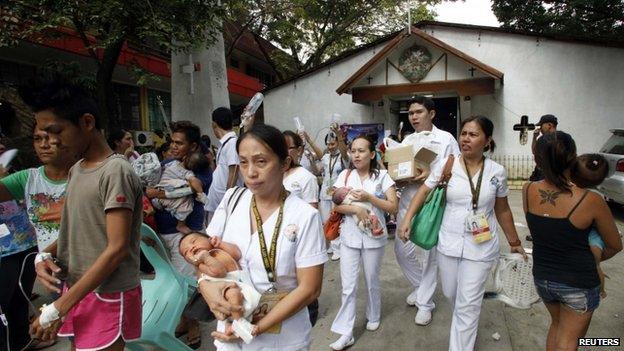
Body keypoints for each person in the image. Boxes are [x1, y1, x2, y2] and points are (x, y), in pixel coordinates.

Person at [24, 77, 144, 351]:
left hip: (108, 292)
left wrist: (57, 309)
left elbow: (117, 249)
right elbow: (76, 229)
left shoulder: (116, 171)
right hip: (79, 287)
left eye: (55, 131)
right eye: (42, 135)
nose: (50, 142)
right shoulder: (77, 168)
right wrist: (46, 255)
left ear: (87, 123)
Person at [398, 115, 525, 351]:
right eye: (464, 133)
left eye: (473, 134)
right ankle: (465, 326)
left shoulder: (497, 172)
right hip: (449, 241)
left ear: (487, 141)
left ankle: (461, 343)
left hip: (482, 246)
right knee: (451, 293)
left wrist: (515, 242)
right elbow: (424, 191)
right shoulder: (447, 164)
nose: (466, 139)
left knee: (468, 304)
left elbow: (503, 209)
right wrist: (407, 219)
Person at [199, 124, 326, 350]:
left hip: (282, 336)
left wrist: (254, 329)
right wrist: (206, 287)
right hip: (230, 328)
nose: (250, 172)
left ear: (284, 164)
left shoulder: (305, 216)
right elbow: (204, 254)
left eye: (261, 161)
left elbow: (310, 289)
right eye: (243, 162)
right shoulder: (232, 200)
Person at [524, 133, 621, 351]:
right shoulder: (591, 200)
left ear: (537, 160)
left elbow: (543, 232)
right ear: (573, 157)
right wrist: (593, 257)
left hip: (543, 278)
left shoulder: (528, 189)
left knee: (557, 327)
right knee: (570, 340)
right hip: (578, 282)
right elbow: (615, 245)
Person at [394, 96, 459, 326]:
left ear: (431, 114)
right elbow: (398, 173)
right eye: (411, 113)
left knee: (429, 253)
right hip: (408, 200)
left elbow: (455, 169)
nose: (413, 117)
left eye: (418, 112)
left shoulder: (446, 139)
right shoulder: (406, 140)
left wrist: (430, 175)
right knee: (401, 250)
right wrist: (400, 176)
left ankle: (425, 304)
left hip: (433, 202)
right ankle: (421, 287)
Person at [146, 121, 211, 349]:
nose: (173, 146)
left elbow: (193, 189)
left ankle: (194, 324)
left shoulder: (202, 166)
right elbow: (148, 187)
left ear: (193, 146)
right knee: (174, 281)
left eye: (179, 143)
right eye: (172, 141)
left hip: (188, 233)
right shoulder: (165, 164)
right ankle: (184, 320)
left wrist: (157, 192)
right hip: (162, 232)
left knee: (190, 281)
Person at [329, 134, 398, 351]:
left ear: (372, 153)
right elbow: (336, 205)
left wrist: (369, 198)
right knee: (348, 286)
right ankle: (345, 332)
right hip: (349, 237)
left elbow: (393, 207)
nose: (356, 154)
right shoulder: (345, 176)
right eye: (353, 150)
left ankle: (373, 314)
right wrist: (357, 209)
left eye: (361, 150)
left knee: (371, 280)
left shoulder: (383, 177)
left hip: (374, 238)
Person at [179, 232, 262, 342]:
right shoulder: (202, 265)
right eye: (186, 252)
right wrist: (205, 258)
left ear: (209, 239)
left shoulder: (219, 250)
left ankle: (236, 324)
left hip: (241, 284)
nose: (191, 248)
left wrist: (221, 243)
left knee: (240, 297)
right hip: (226, 290)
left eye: (194, 241)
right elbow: (218, 272)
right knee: (233, 295)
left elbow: (237, 254)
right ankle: (240, 323)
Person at [0, 143, 41, 351]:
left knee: (21, 297)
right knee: (2, 305)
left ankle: (22, 342)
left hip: (26, 242)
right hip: (3, 251)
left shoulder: (11, 168)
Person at [302, 125, 349, 260]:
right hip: (325, 194)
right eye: (328, 144)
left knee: (336, 220)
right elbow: (317, 171)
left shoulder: (343, 156)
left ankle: (337, 249)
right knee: (325, 220)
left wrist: (339, 136)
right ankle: (331, 245)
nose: (330, 147)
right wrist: (311, 158)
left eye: (333, 144)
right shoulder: (326, 157)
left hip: (338, 194)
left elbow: (344, 151)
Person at [570, 154, 610, 297]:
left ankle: (601, 288)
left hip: (591, 232)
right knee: (594, 263)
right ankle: (600, 287)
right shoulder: (597, 195)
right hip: (588, 232)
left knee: (594, 263)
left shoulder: (591, 196)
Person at [151, 151, 209, 234]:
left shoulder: (171, 163)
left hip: (159, 188)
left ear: (184, 157)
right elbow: (194, 181)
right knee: (187, 204)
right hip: (168, 193)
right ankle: (181, 225)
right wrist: (201, 194)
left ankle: (158, 201)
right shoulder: (188, 173)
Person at [206, 107, 243, 220]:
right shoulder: (226, 143)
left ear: (214, 124)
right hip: (219, 201)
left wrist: (227, 201)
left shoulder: (232, 143)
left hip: (225, 204)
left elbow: (234, 172)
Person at [526, 114, 558, 241]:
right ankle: (541, 233)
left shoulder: (555, 139)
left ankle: (543, 234)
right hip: (543, 173)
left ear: (549, 125)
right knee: (543, 203)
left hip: (548, 175)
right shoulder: (545, 138)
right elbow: (535, 152)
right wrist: (534, 137)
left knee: (544, 204)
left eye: (541, 125)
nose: (540, 127)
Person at [282, 131, 319, 208]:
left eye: (288, 148)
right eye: (281, 148)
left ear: (299, 150)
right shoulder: (275, 175)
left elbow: (311, 212)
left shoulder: (307, 178)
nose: (283, 152)